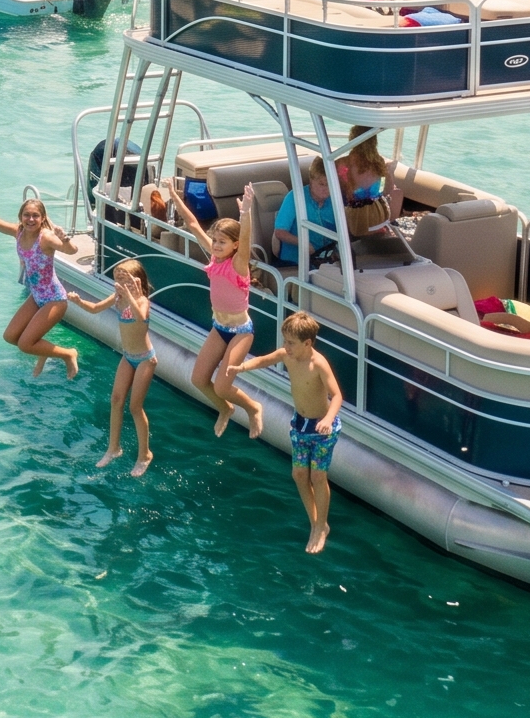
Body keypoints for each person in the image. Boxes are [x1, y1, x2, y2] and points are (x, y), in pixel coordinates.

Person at [146, 184, 266, 438]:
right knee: (199, 379)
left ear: (234, 246)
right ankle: (226, 409)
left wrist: (245, 214)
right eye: (215, 241)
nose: (216, 245)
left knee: (222, 385)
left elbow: (245, 240)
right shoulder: (214, 260)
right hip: (220, 327)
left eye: (222, 242)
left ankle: (253, 408)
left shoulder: (238, 264)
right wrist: (174, 194)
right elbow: (191, 224)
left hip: (240, 332)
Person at [231, 311, 343, 553]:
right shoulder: (287, 355)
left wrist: (328, 418)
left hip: (322, 428)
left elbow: (337, 396)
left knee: (318, 477)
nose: (286, 347)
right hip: (300, 424)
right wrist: (241, 367)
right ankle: (316, 524)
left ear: (307, 343)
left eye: (291, 343)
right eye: (285, 341)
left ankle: (321, 524)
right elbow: (263, 359)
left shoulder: (318, 364)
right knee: (299, 475)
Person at [0, 185, 79, 379]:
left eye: (35, 216)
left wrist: (64, 239)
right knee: (10, 337)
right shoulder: (19, 232)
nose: (30, 219)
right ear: (21, 217)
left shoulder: (46, 238)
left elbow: (71, 251)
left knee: (25, 344)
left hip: (54, 299)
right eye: (26, 215)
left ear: (42, 219)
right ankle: (43, 352)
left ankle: (68, 353)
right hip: (37, 296)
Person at [69, 260, 158, 475]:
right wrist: (79, 301)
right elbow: (95, 309)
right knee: (116, 401)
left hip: (145, 359)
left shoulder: (142, 301)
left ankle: (145, 454)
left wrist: (130, 297)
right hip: (128, 357)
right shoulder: (118, 298)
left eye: (124, 278)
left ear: (137, 281)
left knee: (135, 407)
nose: (119, 283)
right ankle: (114, 448)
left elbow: (141, 318)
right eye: (117, 278)